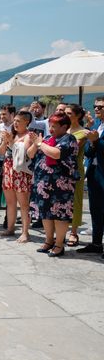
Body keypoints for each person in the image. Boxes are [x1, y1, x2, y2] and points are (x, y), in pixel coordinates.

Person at [28, 112, 79, 257]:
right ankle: (49, 240)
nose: (50, 129)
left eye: (54, 126)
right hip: (43, 182)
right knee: (45, 212)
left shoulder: (69, 139)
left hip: (61, 184)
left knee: (60, 214)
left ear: (64, 127)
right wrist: (34, 143)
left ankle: (59, 244)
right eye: (50, 125)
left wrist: (40, 144)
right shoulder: (48, 138)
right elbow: (31, 154)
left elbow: (56, 153)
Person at [0, 111, 34, 242]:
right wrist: (5, 141)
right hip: (8, 169)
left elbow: (23, 153)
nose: (15, 123)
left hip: (21, 172)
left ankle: (25, 232)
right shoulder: (11, 134)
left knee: (23, 204)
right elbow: (1, 152)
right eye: (15, 121)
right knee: (10, 202)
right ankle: (10, 228)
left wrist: (11, 141)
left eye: (19, 121)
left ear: (27, 122)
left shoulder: (28, 136)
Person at [77, 97, 104, 258]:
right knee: (95, 210)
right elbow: (87, 151)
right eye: (95, 106)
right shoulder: (97, 126)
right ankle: (96, 243)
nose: (97, 109)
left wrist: (97, 141)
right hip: (94, 172)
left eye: (100, 106)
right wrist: (93, 142)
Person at [65, 104, 88, 247]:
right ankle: (61, 231)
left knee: (76, 200)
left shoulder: (84, 132)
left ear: (78, 115)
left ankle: (73, 232)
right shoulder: (63, 129)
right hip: (60, 170)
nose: (65, 115)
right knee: (61, 200)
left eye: (69, 113)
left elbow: (71, 149)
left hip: (75, 170)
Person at [0, 104, 16, 226]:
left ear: (12, 115)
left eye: (4, 114)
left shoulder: (16, 128)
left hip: (12, 161)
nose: (2, 117)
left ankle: (9, 218)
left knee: (10, 191)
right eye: (0, 114)